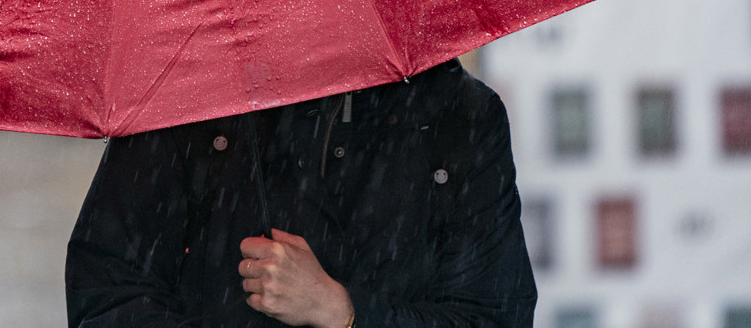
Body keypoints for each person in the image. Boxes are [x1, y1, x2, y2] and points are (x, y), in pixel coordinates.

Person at [65, 58, 537, 327]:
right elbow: (108, 290)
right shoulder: (187, 97)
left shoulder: (460, 116)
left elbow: (494, 316)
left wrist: (343, 310)